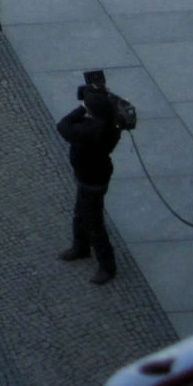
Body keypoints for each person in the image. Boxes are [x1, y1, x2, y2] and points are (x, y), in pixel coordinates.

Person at [57, 70, 124, 285]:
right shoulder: (112, 121)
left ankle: (107, 266)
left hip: (90, 177)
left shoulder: (88, 130)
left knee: (94, 222)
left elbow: (63, 125)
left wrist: (81, 107)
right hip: (97, 173)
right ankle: (80, 246)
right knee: (81, 212)